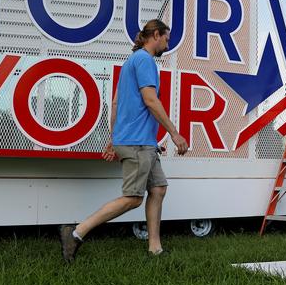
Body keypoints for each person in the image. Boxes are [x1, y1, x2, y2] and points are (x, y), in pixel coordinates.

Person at [59, 19, 189, 262]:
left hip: (141, 141)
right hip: (138, 143)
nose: (167, 45)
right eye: (167, 39)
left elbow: (117, 103)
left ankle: (155, 248)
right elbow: (150, 100)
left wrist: (113, 138)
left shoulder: (131, 62)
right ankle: (76, 232)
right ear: (156, 35)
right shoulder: (145, 60)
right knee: (133, 198)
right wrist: (174, 132)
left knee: (158, 189)